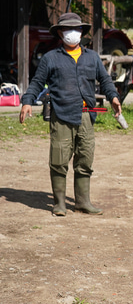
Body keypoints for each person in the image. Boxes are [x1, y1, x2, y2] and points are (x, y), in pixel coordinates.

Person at [19, 12, 122, 216]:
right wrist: (27, 101)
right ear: (60, 33)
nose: (72, 33)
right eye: (67, 29)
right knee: (58, 159)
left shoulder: (92, 57)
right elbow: (37, 83)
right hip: (62, 116)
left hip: (86, 116)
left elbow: (106, 80)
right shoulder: (51, 58)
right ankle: (59, 204)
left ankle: (83, 202)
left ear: (82, 32)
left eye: (76, 29)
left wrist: (113, 97)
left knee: (84, 159)